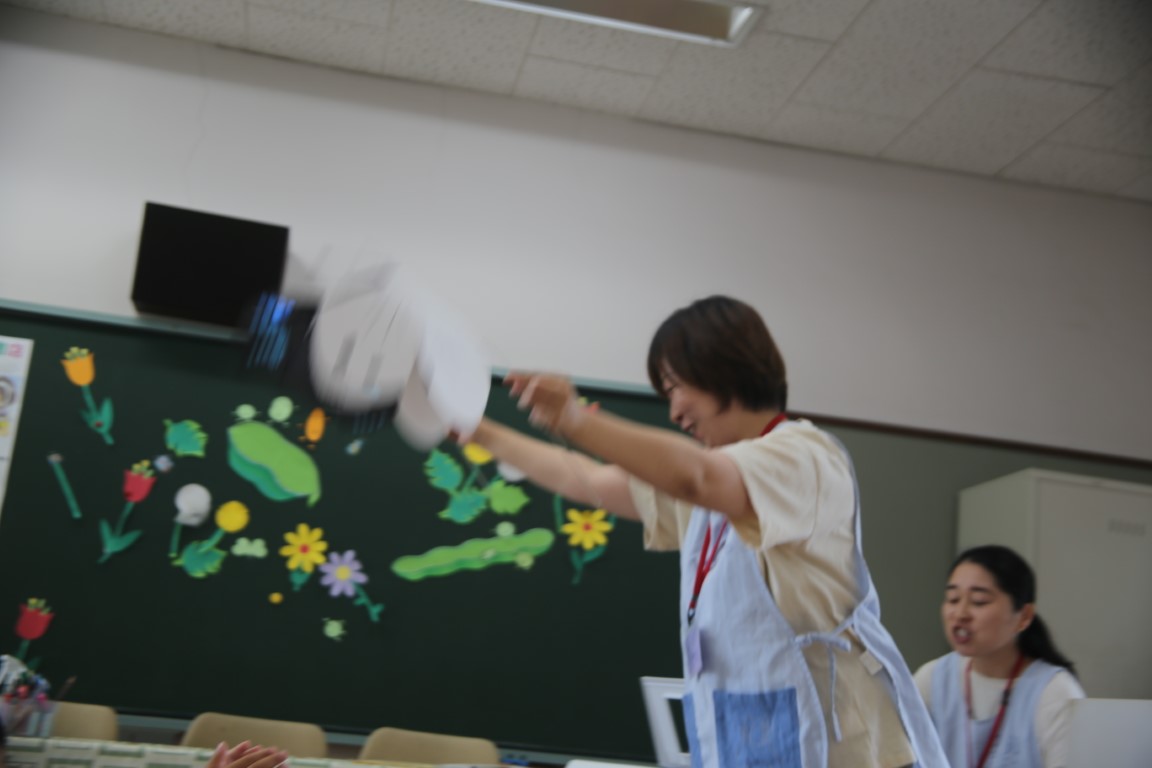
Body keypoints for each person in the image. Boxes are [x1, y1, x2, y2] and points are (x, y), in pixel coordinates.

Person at [464, 295, 947, 768]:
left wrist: (573, 419)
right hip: (751, 729)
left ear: (725, 366)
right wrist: (476, 430)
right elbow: (586, 480)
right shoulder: (714, 487)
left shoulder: (804, 455)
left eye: (676, 387)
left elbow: (695, 476)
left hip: (846, 748)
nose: (674, 411)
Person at [913, 545, 1084, 768]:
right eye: (953, 599)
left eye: (979, 601)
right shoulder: (932, 680)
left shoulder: (1055, 693)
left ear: (1024, 616)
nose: (961, 614)